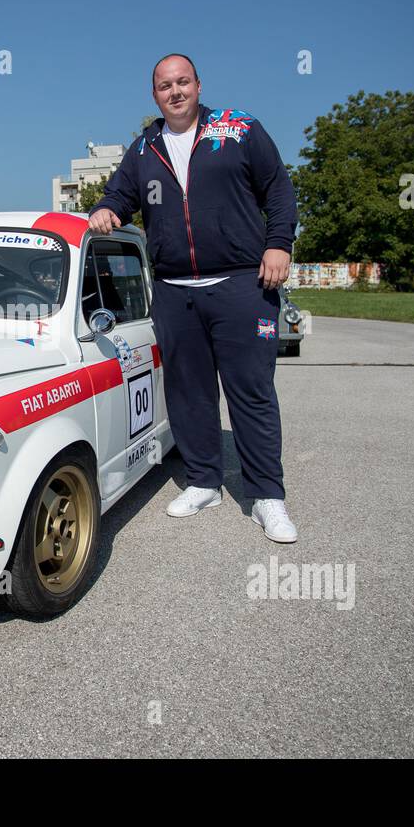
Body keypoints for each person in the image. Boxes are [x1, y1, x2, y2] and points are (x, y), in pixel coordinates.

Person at [89, 54, 298, 543]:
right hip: (175, 290)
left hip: (242, 284)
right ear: (155, 95)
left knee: (250, 391)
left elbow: (279, 190)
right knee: (188, 392)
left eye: (183, 82)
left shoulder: (241, 130)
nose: (175, 91)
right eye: (165, 85)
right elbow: (120, 195)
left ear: (199, 86)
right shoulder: (144, 148)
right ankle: (204, 480)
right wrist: (105, 208)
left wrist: (278, 243)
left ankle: (267, 495)